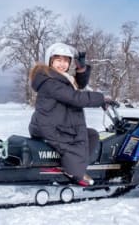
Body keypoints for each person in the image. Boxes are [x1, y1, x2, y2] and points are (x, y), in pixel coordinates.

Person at [28, 42, 113, 186]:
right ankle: (74, 172)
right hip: (49, 127)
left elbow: (78, 86)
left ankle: (79, 166)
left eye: (66, 61)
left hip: (56, 123)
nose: (62, 64)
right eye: (58, 60)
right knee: (75, 142)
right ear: (50, 60)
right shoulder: (51, 82)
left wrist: (81, 70)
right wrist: (101, 98)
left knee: (91, 135)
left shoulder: (60, 78)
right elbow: (75, 97)